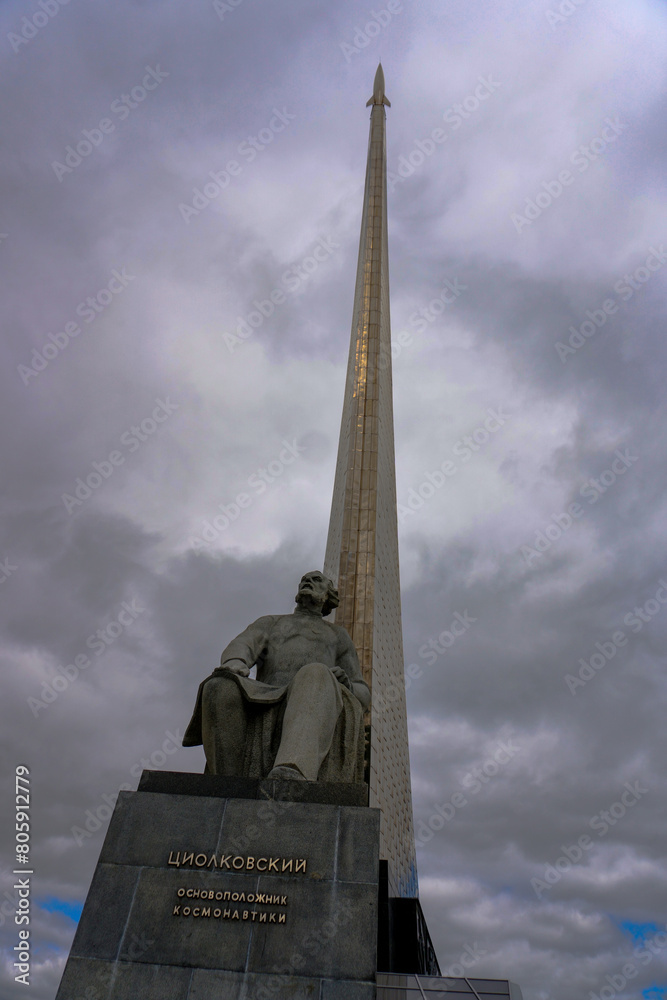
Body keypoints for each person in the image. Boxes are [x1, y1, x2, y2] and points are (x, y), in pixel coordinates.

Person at [183, 571, 370, 782]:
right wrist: (236, 662)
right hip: (266, 694)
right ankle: (227, 784)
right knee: (219, 685)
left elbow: (363, 693)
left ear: (328, 595)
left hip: (313, 693)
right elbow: (244, 644)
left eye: (316, 579)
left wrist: (348, 686)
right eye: (304, 579)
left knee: (316, 672)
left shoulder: (338, 636)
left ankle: (292, 771)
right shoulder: (271, 622)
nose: (307, 581)